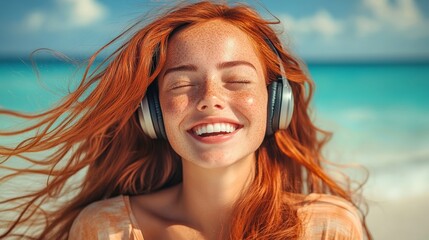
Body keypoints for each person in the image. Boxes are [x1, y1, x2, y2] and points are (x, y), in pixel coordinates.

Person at [0, 1, 372, 239]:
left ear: (278, 103)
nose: (210, 99)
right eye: (181, 84)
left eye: (238, 81)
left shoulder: (327, 228)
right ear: (153, 113)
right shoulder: (105, 228)